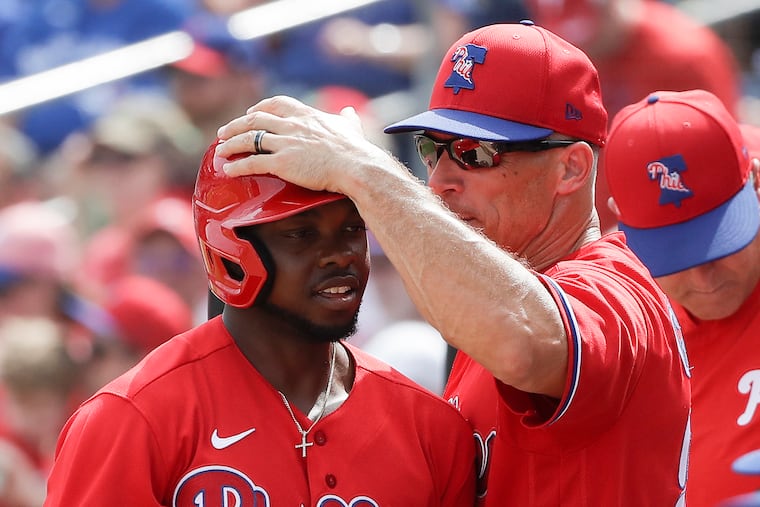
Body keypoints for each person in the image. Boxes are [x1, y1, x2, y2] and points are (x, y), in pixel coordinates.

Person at [214, 20, 692, 506]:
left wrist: (364, 170)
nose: (440, 178)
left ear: (571, 168)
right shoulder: (488, 298)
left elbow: (523, 344)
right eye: (430, 149)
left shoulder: (620, 292)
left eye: (474, 153)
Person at [43, 140, 476, 506]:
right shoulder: (134, 419)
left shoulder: (430, 426)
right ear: (229, 251)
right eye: (301, 234)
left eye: (351, 228)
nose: (339, 254)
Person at [603, 89, 760, 507]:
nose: (704, 278)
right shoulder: (616, 310)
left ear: (756, 182)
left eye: (721, 243)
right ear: (624, 226)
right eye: (674, 255)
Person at [525, 0, 742, 233]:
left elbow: (715, 166)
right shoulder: (568, 55)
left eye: (584, 32)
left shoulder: (682, 57)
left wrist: (628, 234)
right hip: (587, 227)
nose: (581, 44)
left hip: (662, 230)